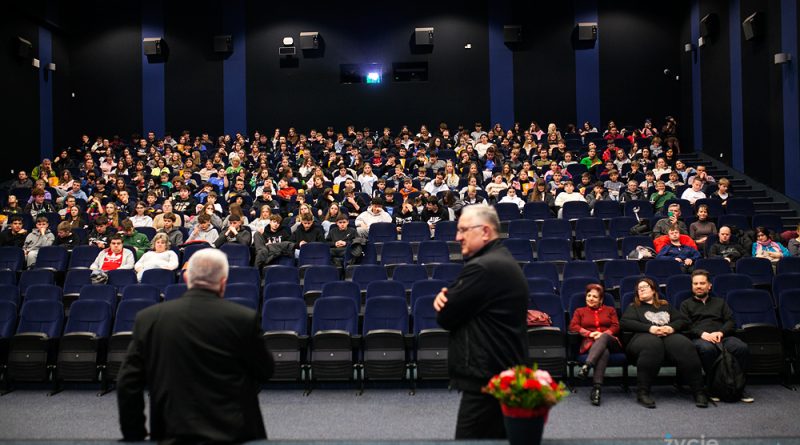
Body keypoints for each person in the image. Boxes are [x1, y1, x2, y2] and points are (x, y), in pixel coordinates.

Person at [117, 248, 274, 443]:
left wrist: (135, 436)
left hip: (171, 431)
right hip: (234, 433)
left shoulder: (149, 319)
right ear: (223, 282)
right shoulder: (244, 318)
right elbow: (265, 370)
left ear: (185, 279)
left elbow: (128, 382)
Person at [433, 204, 528, 439]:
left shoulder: (483, 268)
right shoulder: (498, 260)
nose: (457, 237)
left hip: (487, 382)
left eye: (464, 230)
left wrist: (445, 301)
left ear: (485, 231)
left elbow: (445, 316)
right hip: (498, 376)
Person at [621, 277, 708, 409]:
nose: (641, 289)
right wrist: (650, 328)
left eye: (645, 287)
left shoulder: (665, 305)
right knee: (652, 345)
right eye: (639, 289)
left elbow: (683, 320)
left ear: (653, 290)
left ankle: (699, 391)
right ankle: (643, 392)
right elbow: (625, 322)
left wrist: (670, 327)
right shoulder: (634, 307)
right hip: (642, 338)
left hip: (667, 335)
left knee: (684, 345)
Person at [680, 269, 754, 403]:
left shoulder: (720, 302)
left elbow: (731, 321)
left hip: (722, 336)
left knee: (741, 348)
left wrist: (720, 332)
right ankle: (714, 388)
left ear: (709, 285)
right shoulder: (685, 304)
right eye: (695, 283)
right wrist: (703, 334)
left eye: (702, 283)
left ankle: (738, 387)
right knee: (708, 350)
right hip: (700, 338)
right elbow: (685, 325)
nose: (698, 286)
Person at [569, 283, 621, 406]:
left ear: (601, 299)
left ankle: (587, 365)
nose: (591, 298)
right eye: (589, 295)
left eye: (595, 297)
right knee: (604, 352)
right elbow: (573, 326)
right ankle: (596, 389)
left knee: (604, 338)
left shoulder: (610, 310)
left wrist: (603, 334)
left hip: (612, 342)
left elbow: (616, 326)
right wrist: (589, 334)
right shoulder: (579, 311)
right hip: (592, 343)